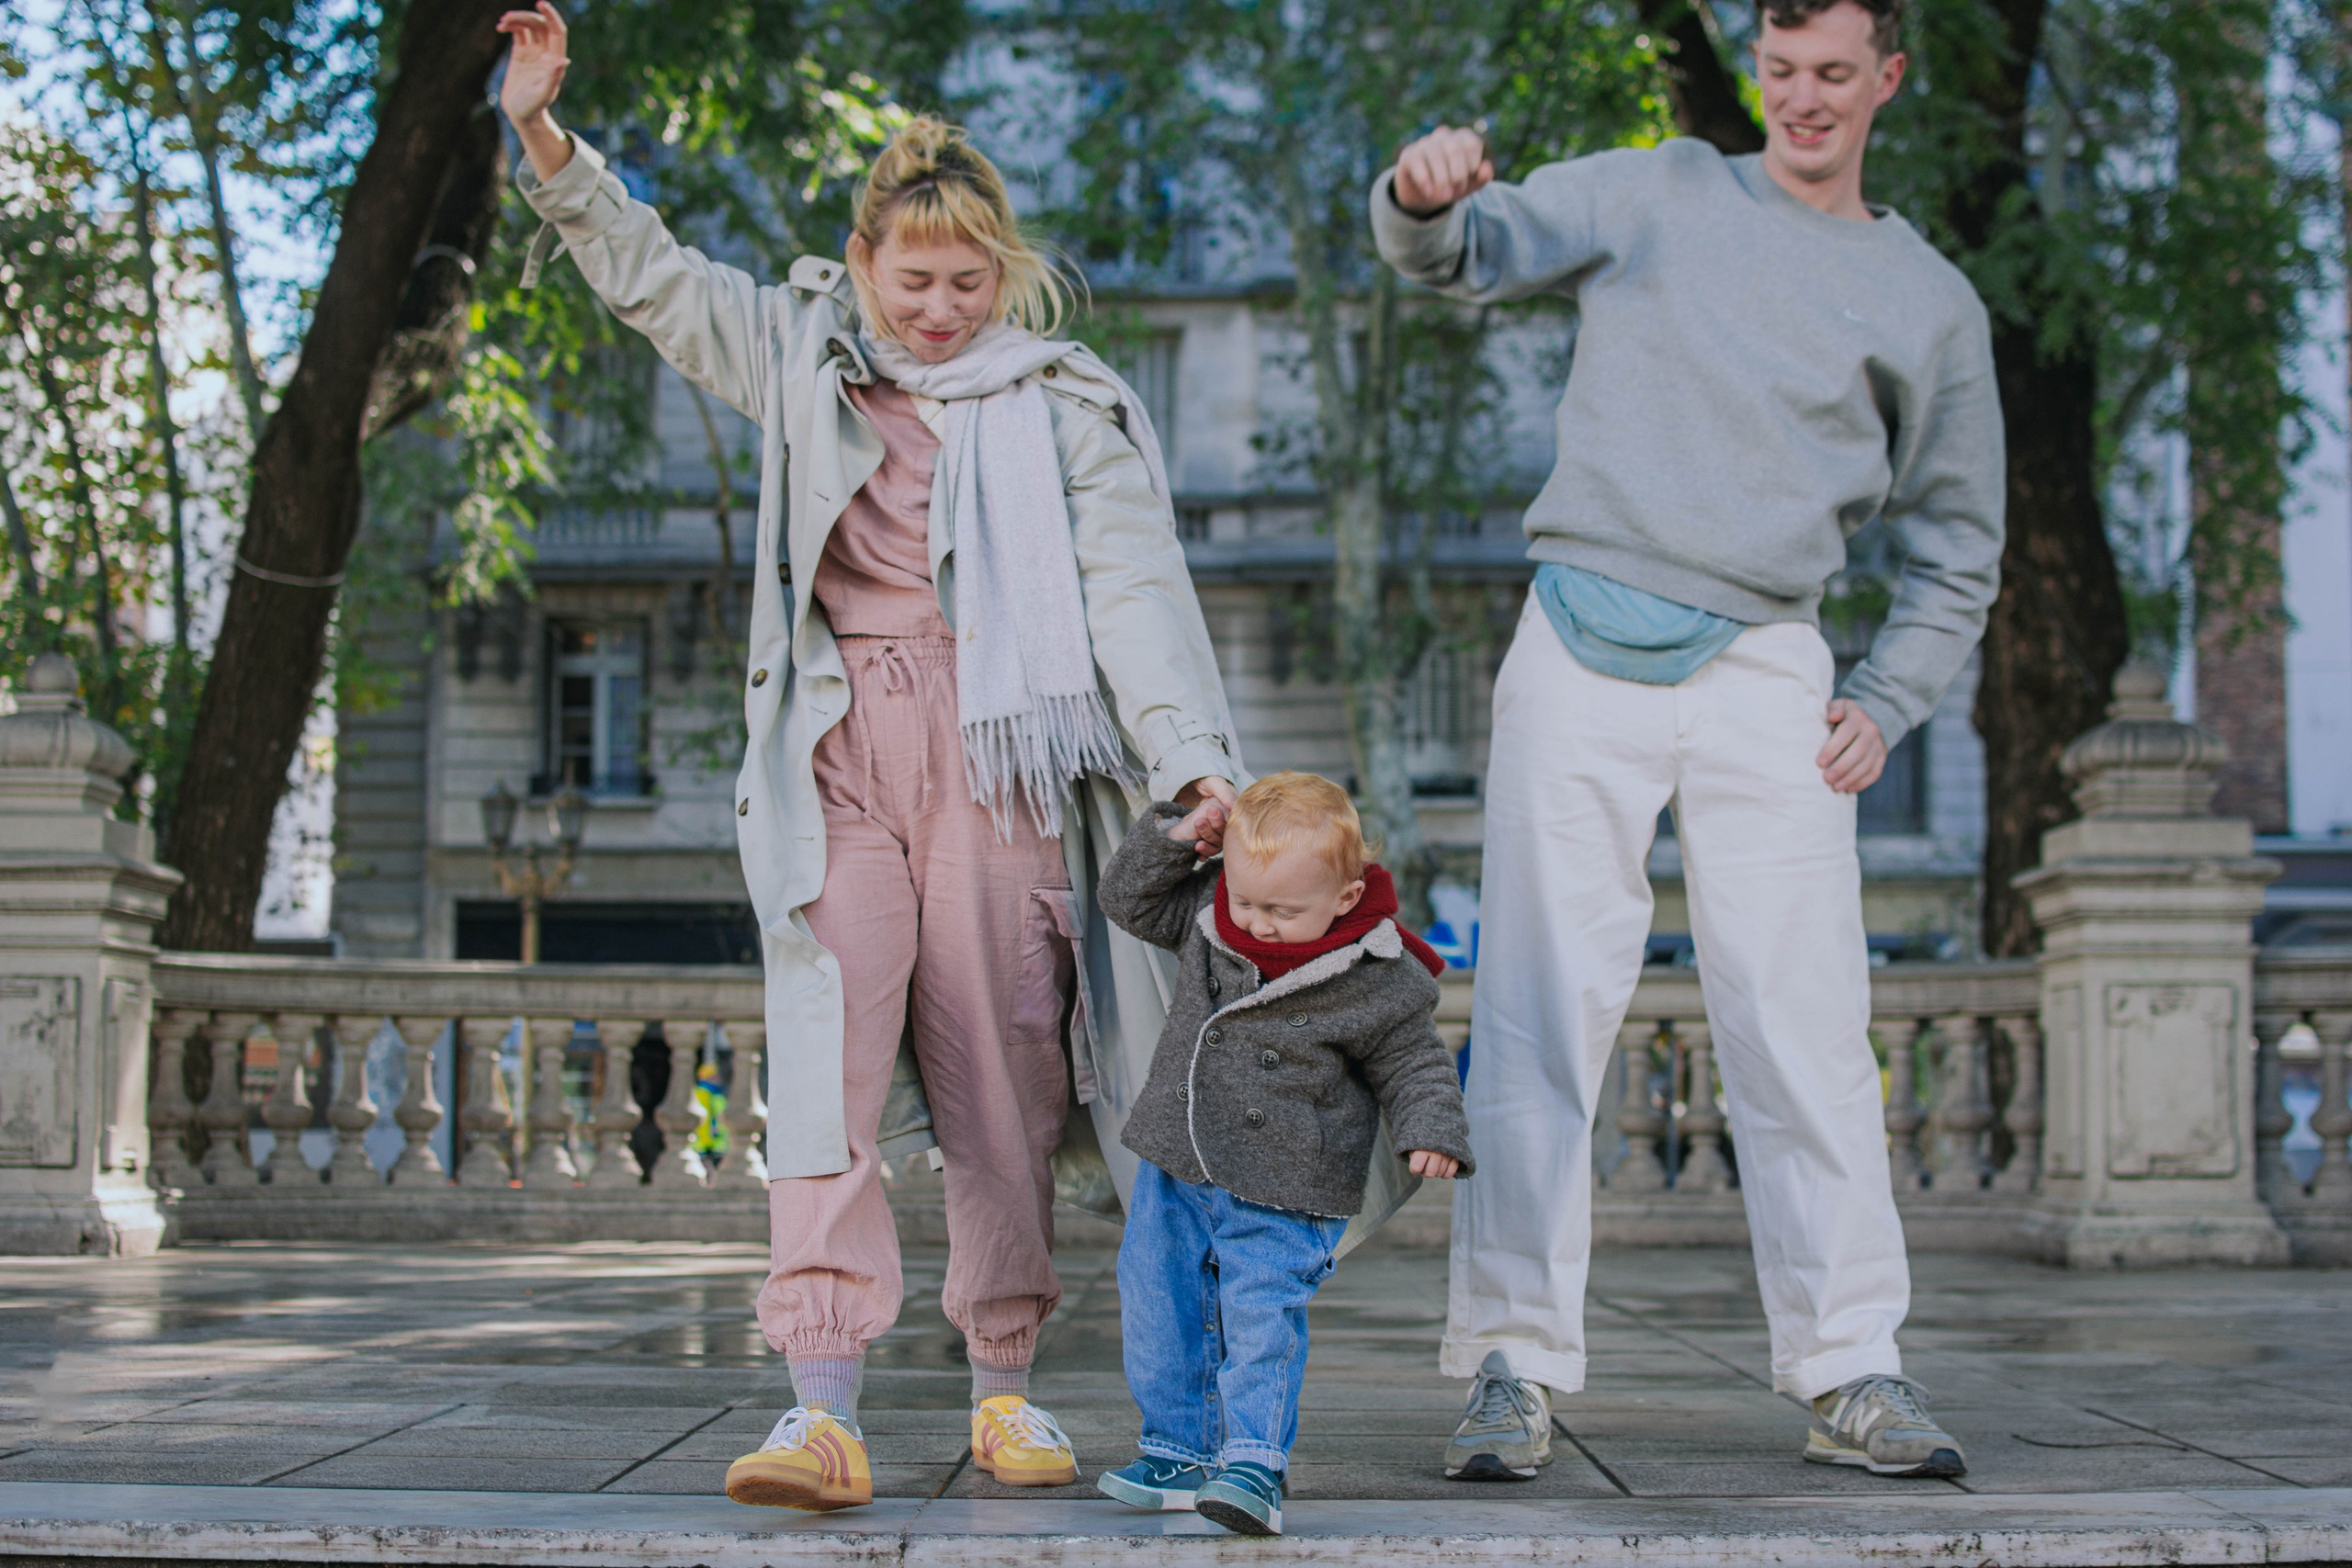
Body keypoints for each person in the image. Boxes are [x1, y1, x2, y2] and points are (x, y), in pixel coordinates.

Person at [497, 5, 1244, 1513]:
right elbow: (651, 279)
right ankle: (820, 1401)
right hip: (840, 752)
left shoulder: (1061, 399)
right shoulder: (795, 353)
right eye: (915, 280)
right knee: (827, 1075)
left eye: (971, 281)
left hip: (1002, 758)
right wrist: (543, 139)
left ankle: (1005, 1386)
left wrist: (1192, 767)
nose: (943, 308)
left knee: (1009, 1083)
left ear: (1005, 271)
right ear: (861, 264)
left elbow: (1135, 593)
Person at [1369, 0, 1999, 1483]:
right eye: (1780, 71)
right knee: (1536, 1010)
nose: (1803, 99)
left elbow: (1958, 545)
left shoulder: (1928, 301)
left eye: (1835, 73)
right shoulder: (1659, 189)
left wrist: (1890, 692)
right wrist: (1416, 194)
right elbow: (1459, 255)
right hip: (1576, 640)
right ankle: (1513, 1365)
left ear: (1887, 79)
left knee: (1804, 1019)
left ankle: (1851, 1367)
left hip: (1770, 662)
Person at [1090, 773, 1475, 1535]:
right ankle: (1177, 1449)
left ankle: (1254, 1460)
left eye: (1282, 910)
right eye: (1246, 901)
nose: (1257, 924)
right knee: (1158, 1296)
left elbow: (1415, 1061)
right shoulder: (1210, 915)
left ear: (1343, 895)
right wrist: (1177, 836)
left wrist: (1433, 1128)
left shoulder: (1380, 973)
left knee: (1261, 1312)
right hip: (1181, 1153)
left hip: (1288, 1180)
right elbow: (1126, 899)